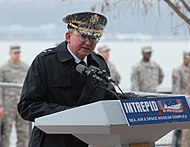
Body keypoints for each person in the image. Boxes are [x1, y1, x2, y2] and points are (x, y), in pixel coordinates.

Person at [17, 12, 118, 147]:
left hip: (89, 141)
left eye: (94, 38)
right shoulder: (46, 62)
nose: (88, 43)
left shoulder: (99, 64)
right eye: (83, 36)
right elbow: (27, 106)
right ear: (68, 36)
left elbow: (110, 98)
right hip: (52, 141)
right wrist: (68, 114)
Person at [0, 45, 29, 147]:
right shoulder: (3, 68)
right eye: (15, 53)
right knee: (5, 133)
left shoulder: (25, 68)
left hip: (21, 105)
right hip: (7, 105)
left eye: (18, 53)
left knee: (23, 133)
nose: (17, 55)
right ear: (10, 54)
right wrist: (1, 106)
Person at [171, 51, 190, 147]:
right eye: (187, 58)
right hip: (181, 102)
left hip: (189, 101)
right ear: (184, 58)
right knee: (178, 126)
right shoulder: (178, 70)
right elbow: (176, 88)